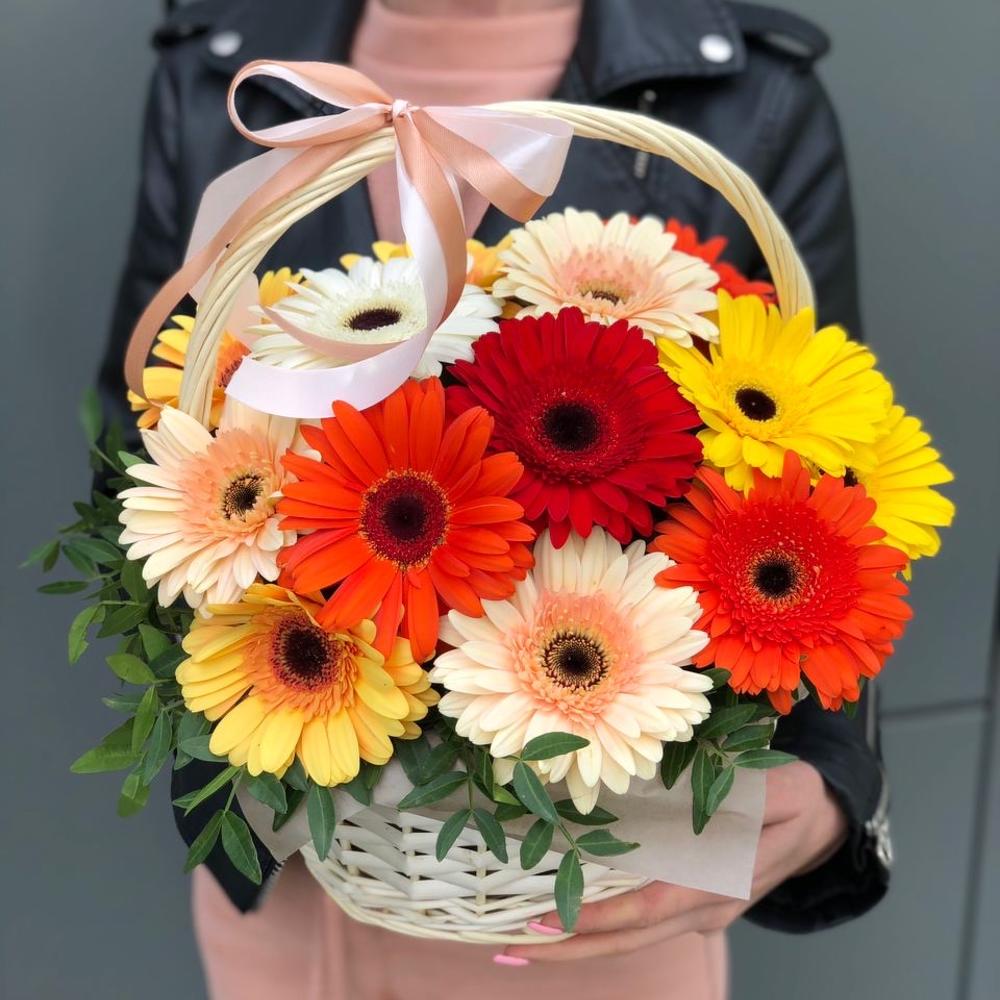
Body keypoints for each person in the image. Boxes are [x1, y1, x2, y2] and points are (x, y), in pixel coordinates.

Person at [102, 1, 893, 996]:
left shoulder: (751, 93)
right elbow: (142, 427)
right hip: (292, 874)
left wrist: (833, 780)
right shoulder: (223, 71)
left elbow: (832, 483)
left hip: (599, 877)